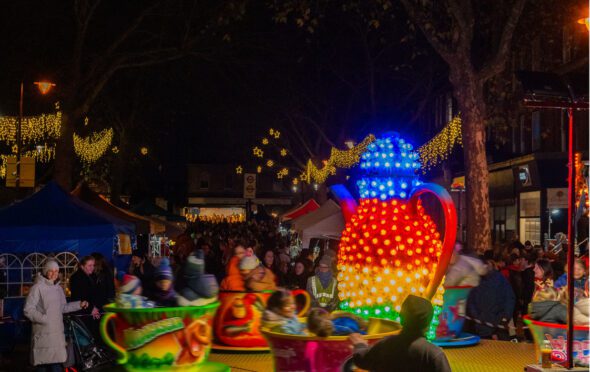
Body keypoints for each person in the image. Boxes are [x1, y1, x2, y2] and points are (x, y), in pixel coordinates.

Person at [349, 295, 451, 372]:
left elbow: (362, 360)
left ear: (401, 319)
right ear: (428, 325)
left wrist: (360, 344)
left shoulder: (386, 345)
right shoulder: (433, 354)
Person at [24, 259, 89, 372]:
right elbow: (28, 309)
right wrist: (44, 319)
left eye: (56, 271)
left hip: (57, 334)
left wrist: (79, 304)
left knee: (57, 365)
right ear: (45, 272)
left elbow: (63, 307)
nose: (54, 274)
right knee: (43, 366)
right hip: (43, 334)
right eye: (51, 271)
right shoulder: (37, 288)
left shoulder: (58, 288)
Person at [466, 252, 515, 340]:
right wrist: (476, 316)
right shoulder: (475, 280)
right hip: (480, 324)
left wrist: (504, 317)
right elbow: (470, 301)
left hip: (497, 323)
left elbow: (509, 299)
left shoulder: (499, 279)